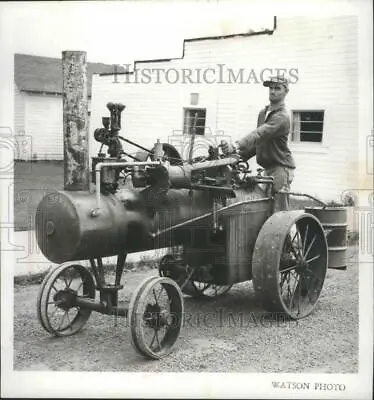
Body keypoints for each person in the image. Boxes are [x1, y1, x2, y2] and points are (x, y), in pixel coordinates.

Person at [221, 75, 296, 211]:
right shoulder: (263, 113)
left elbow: (259, 133)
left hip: (281, 169)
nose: (272, 91)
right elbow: (258, 143)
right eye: (271, 88)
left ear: (286, 91)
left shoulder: (282, 117)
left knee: (279, 213)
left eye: (277, 88)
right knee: (262, 209)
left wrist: (236, 145)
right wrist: (235, 157)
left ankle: (290, 232)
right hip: (267, 169)